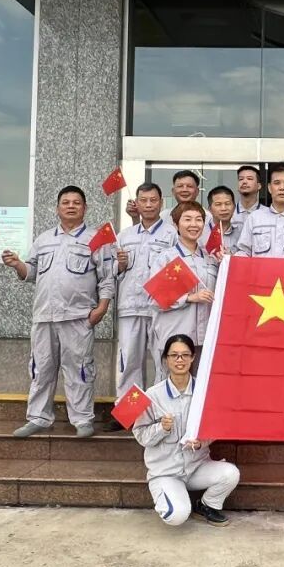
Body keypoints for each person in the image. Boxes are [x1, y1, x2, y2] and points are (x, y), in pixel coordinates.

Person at [2, 185, 114, 439]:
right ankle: (38, 418)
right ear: (57, 208)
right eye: (66, 202)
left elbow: (107, 277)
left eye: (76, 202)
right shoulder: (43, 239)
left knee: (79, 369)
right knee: (40, 368)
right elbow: (31, 273)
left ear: (85, 208)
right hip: (44, 316)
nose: (71, 206)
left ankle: (83, 419)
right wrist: (17, 264)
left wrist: (102, 307)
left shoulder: (97, 239)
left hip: (78, 317)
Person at [132, 334, 240, 527]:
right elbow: (140, 434)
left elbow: (215, 428)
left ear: (192, 358)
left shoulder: (205, 392)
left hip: (196, 467)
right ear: (166, 359)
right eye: (174, 355)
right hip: (167, 471)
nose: (179, 360)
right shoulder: (152, 395)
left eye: (185, 355)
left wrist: (201, 442)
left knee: (231, 473)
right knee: (176, 517)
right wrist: (161, 428)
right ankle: (172, 494)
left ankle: (206, 505)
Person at [109, 182, 177, 431]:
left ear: (161, 202)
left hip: (161, 309)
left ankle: (160, 413)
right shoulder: (124, 236)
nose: (148, 205)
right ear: (136, 203)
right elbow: (111, 272)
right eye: (143, 200)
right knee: (129, 362)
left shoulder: (172, 235)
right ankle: (129, 414)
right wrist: (120, 265)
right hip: (130, 307)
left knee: (162, 361)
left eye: (153, 200)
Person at [149, 201, 217, 378]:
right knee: (172, 385)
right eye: (187, 219)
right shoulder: (167, 258)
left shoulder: (211, 259)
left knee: (200, 386)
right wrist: (189, 297)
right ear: (176, 224)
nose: (194, 224)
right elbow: (154, 299)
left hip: (204, 338)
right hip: (175, 336)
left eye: (198, 220)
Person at [235, 162, 284, 258]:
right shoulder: (255, 218)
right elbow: (243, 252)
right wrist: (228, 258)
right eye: (277, 183)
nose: (282, 188)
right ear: (269, 188)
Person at [201, 185, 240, 253]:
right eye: (218, 204)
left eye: (227, 204)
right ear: (210, 209)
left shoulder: (240, 232)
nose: (223, 208)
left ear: (234, 207)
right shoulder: (200, 232)